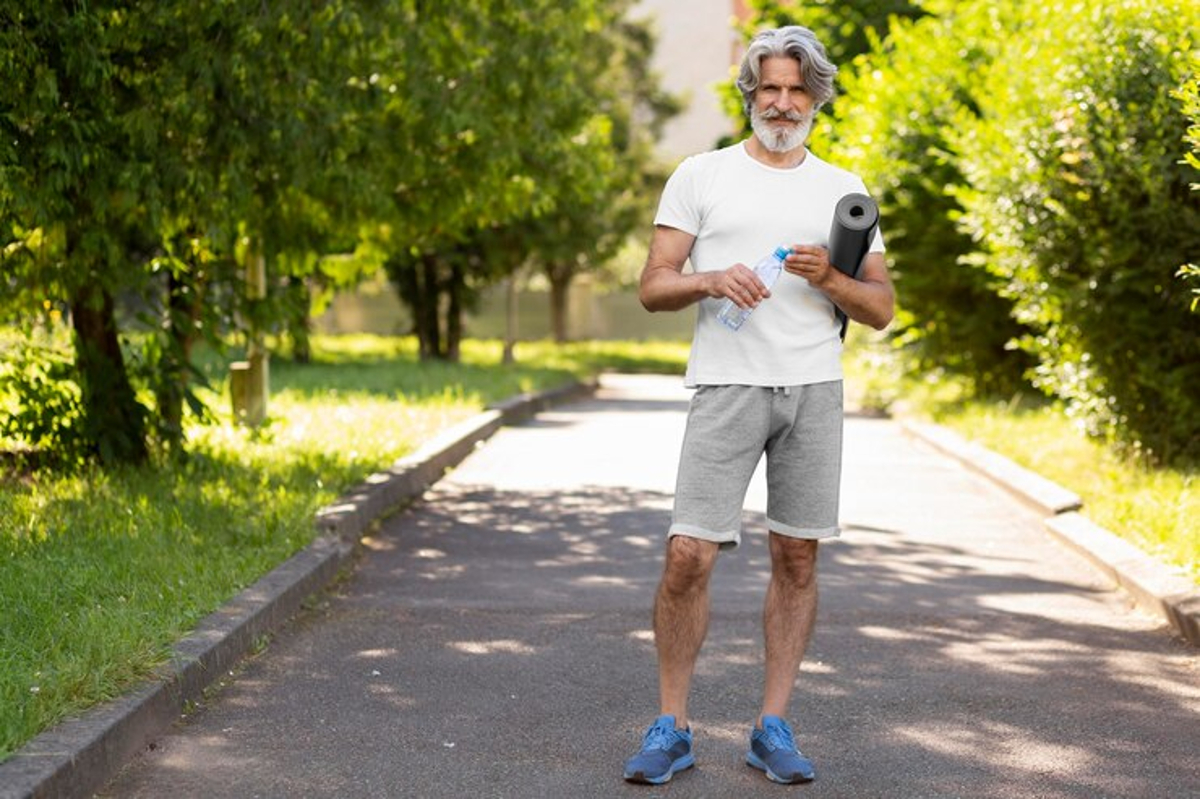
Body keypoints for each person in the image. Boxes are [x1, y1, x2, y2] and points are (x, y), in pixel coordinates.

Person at [621, 25, 894, 786]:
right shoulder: (700, 175)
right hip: (727, 382)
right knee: (688, 554)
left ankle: (772, 725)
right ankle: (671, 724)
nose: (782, 103)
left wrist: (828, 280)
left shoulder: (845, 188)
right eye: (769, 88)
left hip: (812, 386)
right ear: (750, 93)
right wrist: (710, 280)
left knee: (796, 554)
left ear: (817, 100)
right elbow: (652, 285)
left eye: (796, 91)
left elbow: (880, 307)